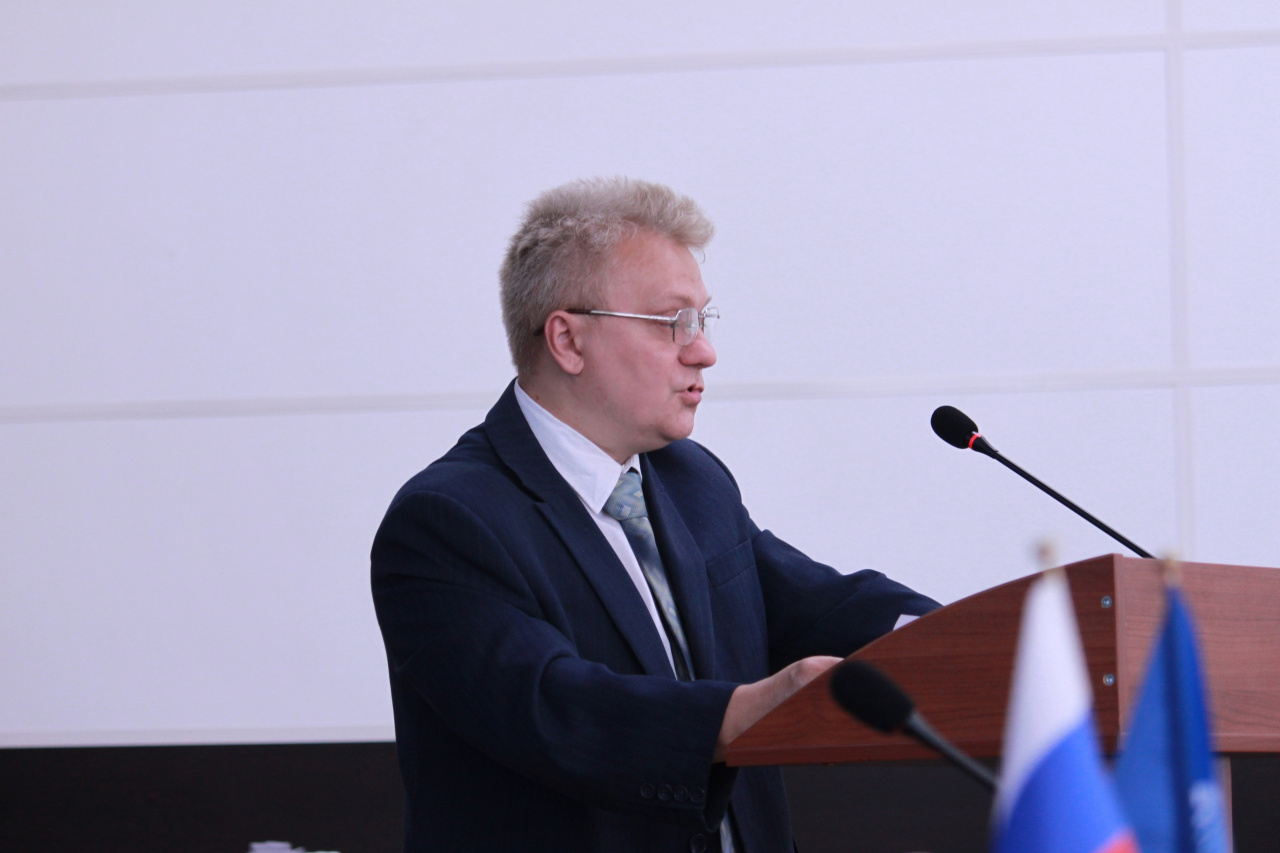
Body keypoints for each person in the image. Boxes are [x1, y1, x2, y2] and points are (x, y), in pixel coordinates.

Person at [371, 177, 939, 853]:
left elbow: (817, 606)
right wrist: (742, 711)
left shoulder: (689, 478)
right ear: (568, 340)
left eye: (703, 321)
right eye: (674, 322)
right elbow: (557, 707)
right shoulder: (446, 521)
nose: (704, 351)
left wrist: (987, 638)